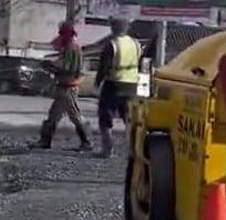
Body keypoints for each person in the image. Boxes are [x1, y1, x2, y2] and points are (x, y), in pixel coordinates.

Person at [30, 21, 93, 151]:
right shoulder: (70, 46)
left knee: (75, 115)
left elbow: (67, 67)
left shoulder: (72, 47)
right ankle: (44, 141)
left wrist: (50, 66)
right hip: (64, 85)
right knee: (53, 115)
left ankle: (87, 142)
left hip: (68, 86)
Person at [94, 17, 142, 157]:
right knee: (129, 119)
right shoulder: (136, 43)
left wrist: (97, 84)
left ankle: (107, 149)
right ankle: (134, 150)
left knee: (105, 116)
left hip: (113, 84)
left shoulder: (112, 44)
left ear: (113, 28)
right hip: (132, 86)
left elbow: (103, 67)